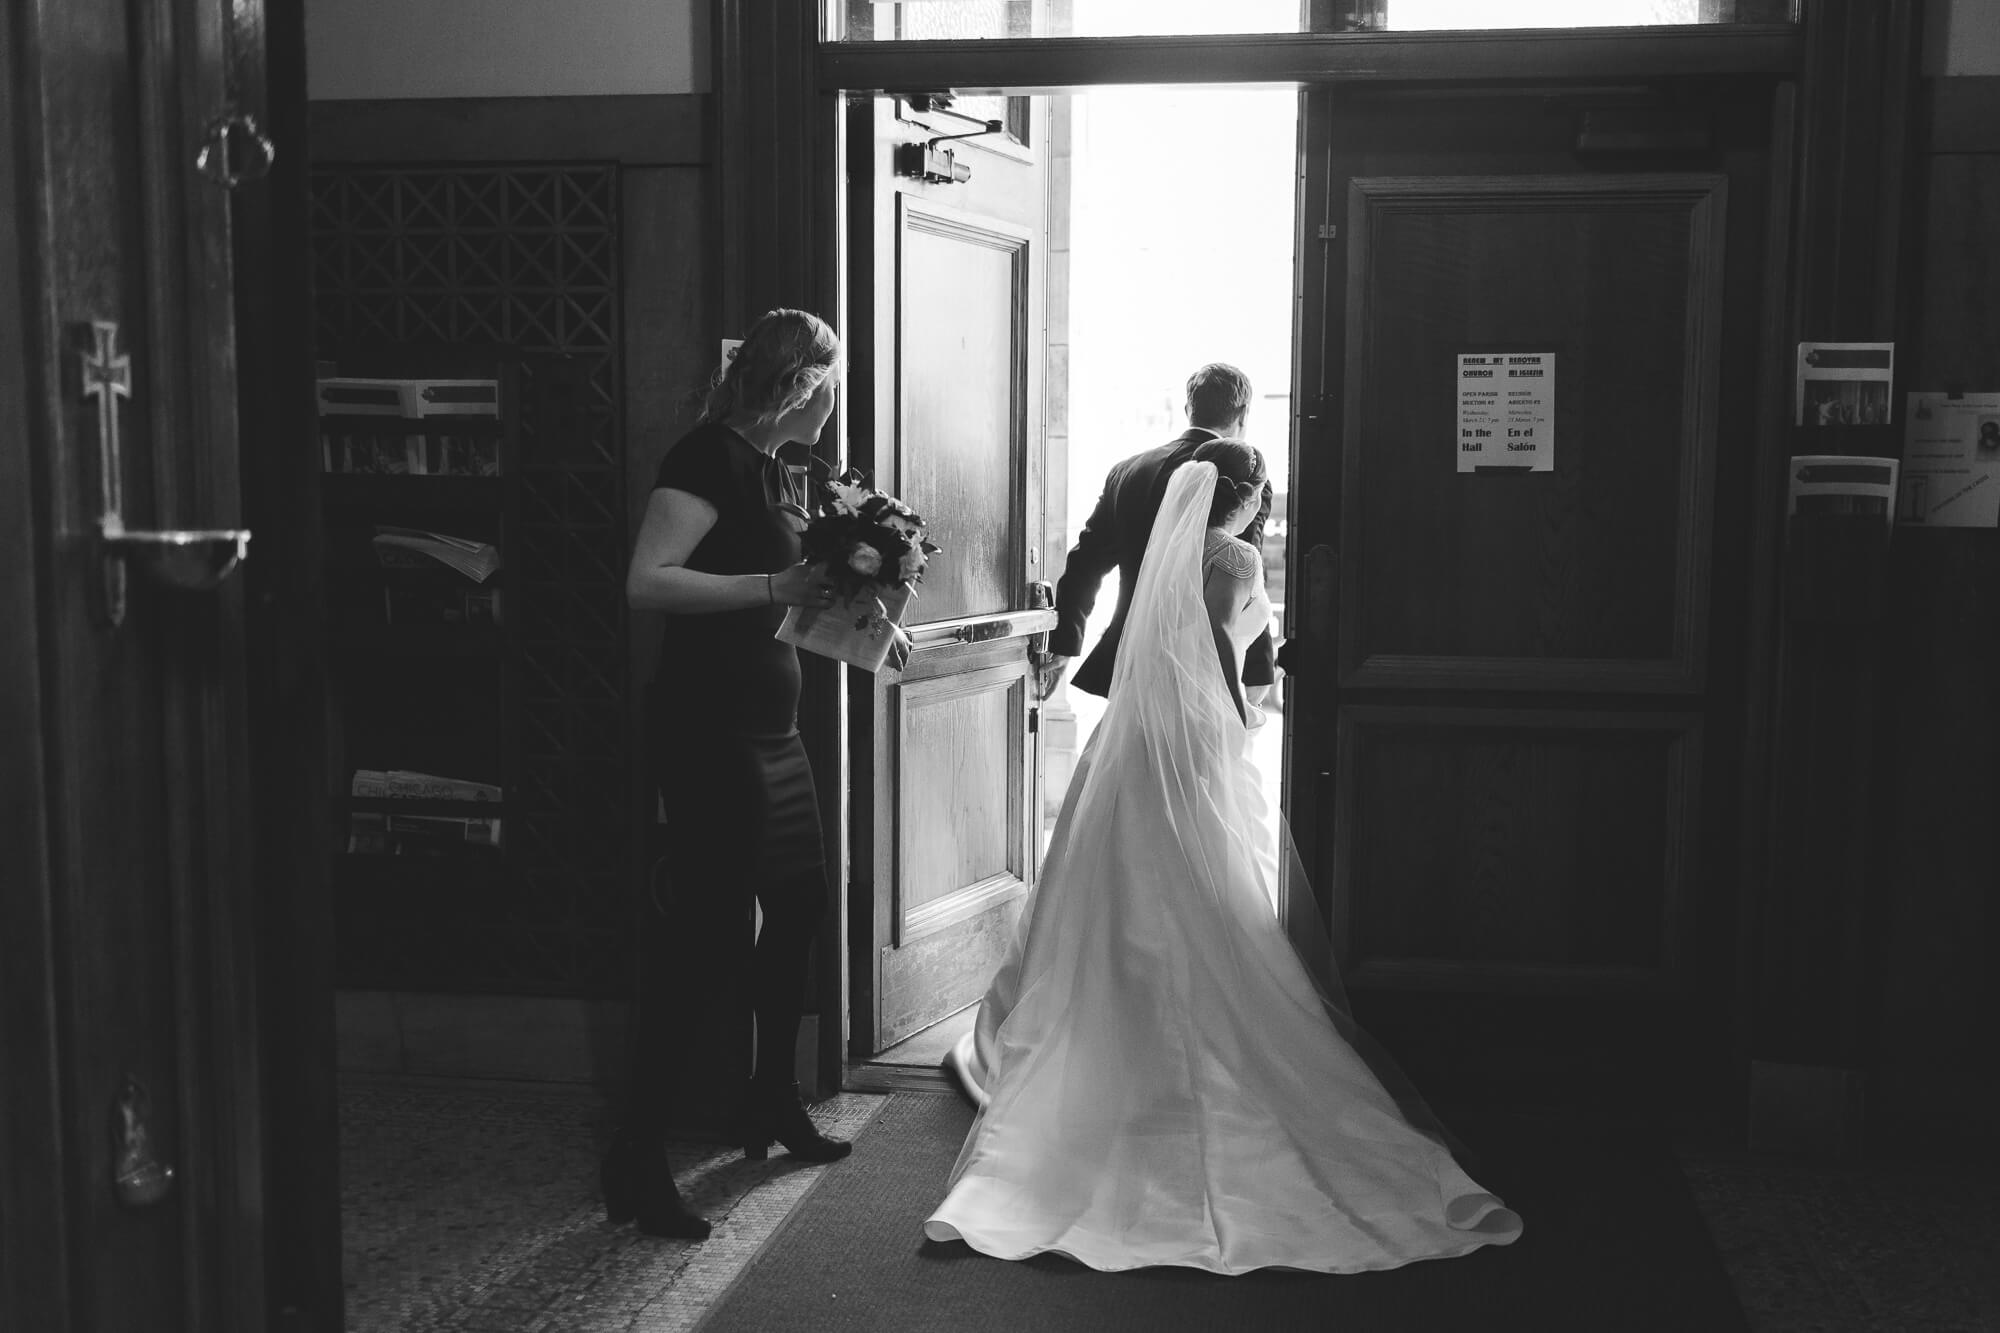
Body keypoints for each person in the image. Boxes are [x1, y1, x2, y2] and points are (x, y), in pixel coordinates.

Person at [927, 442, 1523, 1273]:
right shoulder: (1235, 554)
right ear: (1248, 497)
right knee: (1206, 888)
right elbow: (1214, 636)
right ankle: (1186, 1052)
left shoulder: (1172, 552)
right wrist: (1240, 712)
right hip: (1195, 736)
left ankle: (1117, 1047)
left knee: (1125, 888)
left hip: (1133, 742)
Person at [610, 309, 904, 1238]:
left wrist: (863, 620)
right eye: (831, 383)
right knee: (703, 938)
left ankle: (769, 1097)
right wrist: (775, 589)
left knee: (803, 906)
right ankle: (636, 1157)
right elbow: (647, 581)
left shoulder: (783, 474)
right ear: (800, 385)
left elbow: (792, 592)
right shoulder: (705, 458)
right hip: (707, 731)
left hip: (771, 729)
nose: (834, 401)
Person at [1042, 362, 1274, 701]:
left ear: (1188, 409)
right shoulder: (1245, 479)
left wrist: (1063, 644)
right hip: (1200, 668)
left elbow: (1086, 563)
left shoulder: (1127, 472)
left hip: (1129, 657)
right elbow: (1244, 579)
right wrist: (1257, 671)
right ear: (1244, 414)